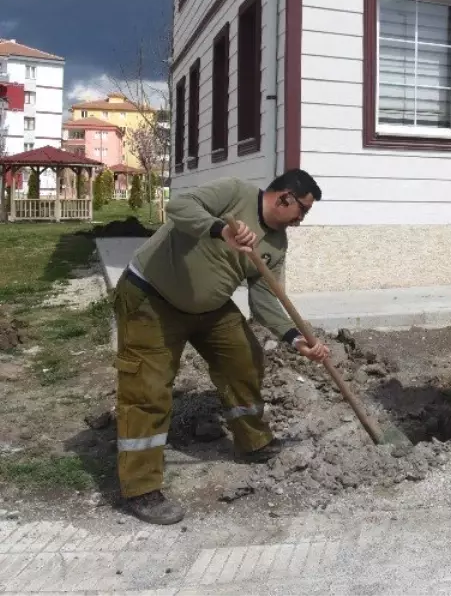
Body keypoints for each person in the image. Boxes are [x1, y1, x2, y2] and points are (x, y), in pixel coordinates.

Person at [112, 169, 331, 524]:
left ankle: (254, 441)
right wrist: (220, 229)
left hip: (211, 308)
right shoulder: (234, 193)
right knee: (148, 389)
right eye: (301, 211)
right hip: (152, 297)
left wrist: (295, 339)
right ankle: (140, 489)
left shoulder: (276, 245)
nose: (301, 220)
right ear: (285, 197)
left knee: (245, 358)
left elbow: (264, 301)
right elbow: (179, 206)